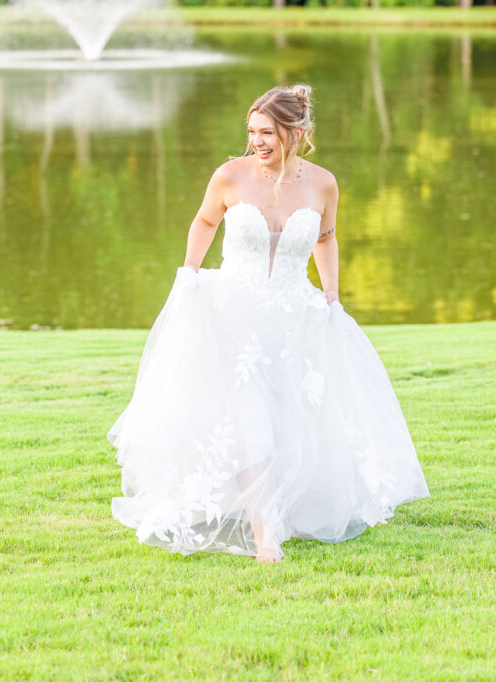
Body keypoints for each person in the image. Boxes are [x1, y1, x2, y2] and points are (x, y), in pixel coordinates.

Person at [107, 84, 430, 564]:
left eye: (267, 133)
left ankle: (283, 509)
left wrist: (332, 296)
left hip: (294, 315)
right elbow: (203, 222)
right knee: (248, 418)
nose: (257, 142)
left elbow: (326, 237)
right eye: (252, 132)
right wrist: (189, 274)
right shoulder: (230, 177)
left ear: (295, 133)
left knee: (288, 419)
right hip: (231, 314)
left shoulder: (323, 183)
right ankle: (265, 535)